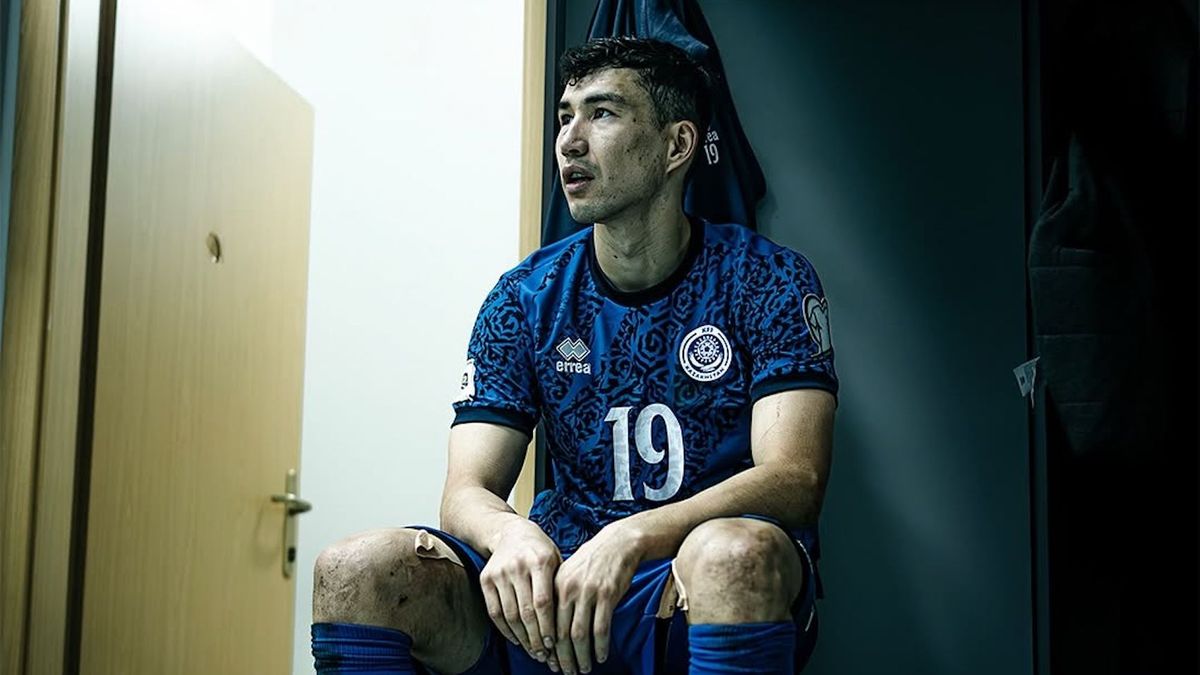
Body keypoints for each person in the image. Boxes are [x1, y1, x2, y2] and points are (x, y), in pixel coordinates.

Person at [311, 37, 838, 675]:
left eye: (603, 113)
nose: (569, 141)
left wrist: (633, 535)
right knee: (355, 569)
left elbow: (794, 479)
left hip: (687, 585)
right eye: (565, 118)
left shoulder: (766, 278)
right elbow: (466, 490)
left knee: (733, 554)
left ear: (677, 146)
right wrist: (509, 535)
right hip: (558, 590)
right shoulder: (525, 296)